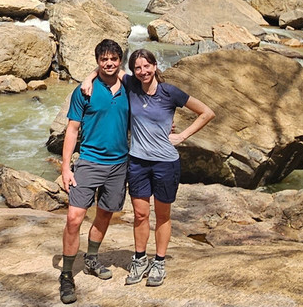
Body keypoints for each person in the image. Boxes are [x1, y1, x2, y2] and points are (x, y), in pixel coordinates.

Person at [82, 48, 215, 287]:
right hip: (138, 162)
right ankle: (140, 259)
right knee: (140, 215)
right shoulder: (131, 85)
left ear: (154, 66)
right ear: (133, 71)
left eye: (146, 66)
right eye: (138, 68)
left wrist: (182, 136)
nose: (143, 71)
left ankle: (159, 261)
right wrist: (88, 78)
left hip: (165, 163)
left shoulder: (169, 92)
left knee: (162, 216)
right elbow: (108, 68)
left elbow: (207, 112)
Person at [57, 38, 130, 305]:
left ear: (120, 61)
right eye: (103, 59)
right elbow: (72, 130)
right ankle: (66, 274)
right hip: (89, 162)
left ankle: (92, 258)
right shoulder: (84, 91)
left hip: (119, 165)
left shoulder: (129, 87)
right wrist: (66, 167)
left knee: (105, 214)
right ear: (97, 61)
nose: (109, 63)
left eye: (113, 59)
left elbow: (155, 91)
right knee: (74, 218)